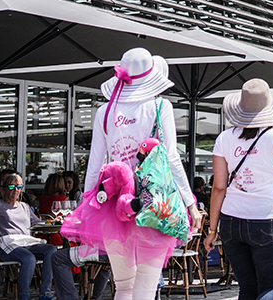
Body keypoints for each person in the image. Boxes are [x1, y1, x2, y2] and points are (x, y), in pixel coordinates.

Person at [67, 49, 201, 300]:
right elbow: (171, 158)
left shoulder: (104, 112)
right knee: (145, 289)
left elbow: (94, 165)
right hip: (153, 202)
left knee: (124, 286)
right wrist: (190, 202)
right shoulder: (161, 106)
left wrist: (87, 205)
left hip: (113, 207)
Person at [201, 78, 273, 299]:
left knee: (248, 289)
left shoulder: (224, 139)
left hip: (231, 221)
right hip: (267, 219)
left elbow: (218, 188)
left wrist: (212, 230)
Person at [0, 173, 56, 300]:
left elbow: (37, 223)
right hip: (7, 245)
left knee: (51, 250)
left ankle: (45, 293)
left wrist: (54, 222)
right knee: (29, 258)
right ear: (3, 188)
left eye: (19, 187)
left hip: (27, 243)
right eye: (12, 187)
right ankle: (24, 296)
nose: (16, 190)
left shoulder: (24, 206)